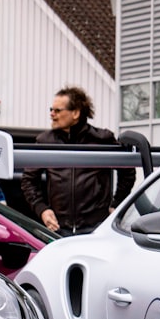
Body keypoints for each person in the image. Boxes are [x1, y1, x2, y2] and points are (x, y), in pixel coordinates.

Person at [21, 85, 135, 236]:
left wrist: (117, 204)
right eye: (51, 110)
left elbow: (127, 171)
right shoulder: (45, 141)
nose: (52, 114)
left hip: (97, 228)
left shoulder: (102, 139)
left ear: (75, 113)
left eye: (57, 110)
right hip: (58, 228)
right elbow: (28, 180)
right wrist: (42, 209)